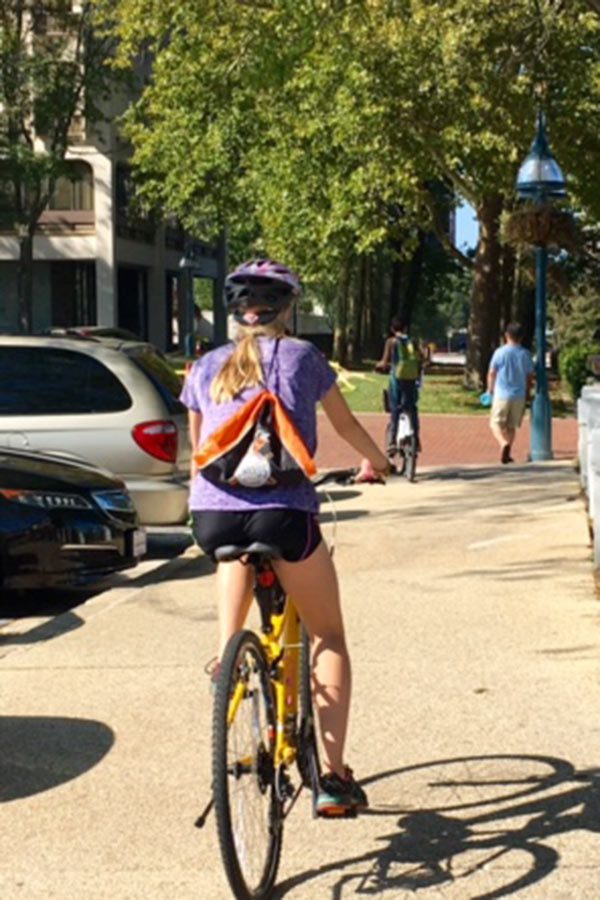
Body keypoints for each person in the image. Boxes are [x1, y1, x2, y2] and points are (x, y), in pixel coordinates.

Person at [180, 258, 390, 816]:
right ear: (287, 308)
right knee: (328, 635)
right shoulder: (303, 357)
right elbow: (345, 426)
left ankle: (228, 669)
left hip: (215, 518)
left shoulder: (204, 366)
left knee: (232, 562)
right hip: (286, 515)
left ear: (235, 312)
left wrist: (200, 509)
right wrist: (378, 461)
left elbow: (198, 454)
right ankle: (334, 779)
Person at [375, 316, 424, 463]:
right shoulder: (412, 342)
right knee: (412, 408)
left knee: (395, 409)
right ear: (405, 328)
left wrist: (380, 366)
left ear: (392, 329)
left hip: (396, 380)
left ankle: (391, 442)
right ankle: (415, 438)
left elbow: (385, 361)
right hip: (411, 380)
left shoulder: (391, 342)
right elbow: (420, 359)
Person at [487, 321, 534, 464]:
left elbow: (492, 372)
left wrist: (490, 390)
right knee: (511, 426)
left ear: (507, 335)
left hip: (502, 394)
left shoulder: (500, 353)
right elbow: (529, 376)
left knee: (495, 424)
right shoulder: (525, 354)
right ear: (521, 337)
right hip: (518, 395)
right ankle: (507, 453)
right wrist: (527, 392)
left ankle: (503, 443)